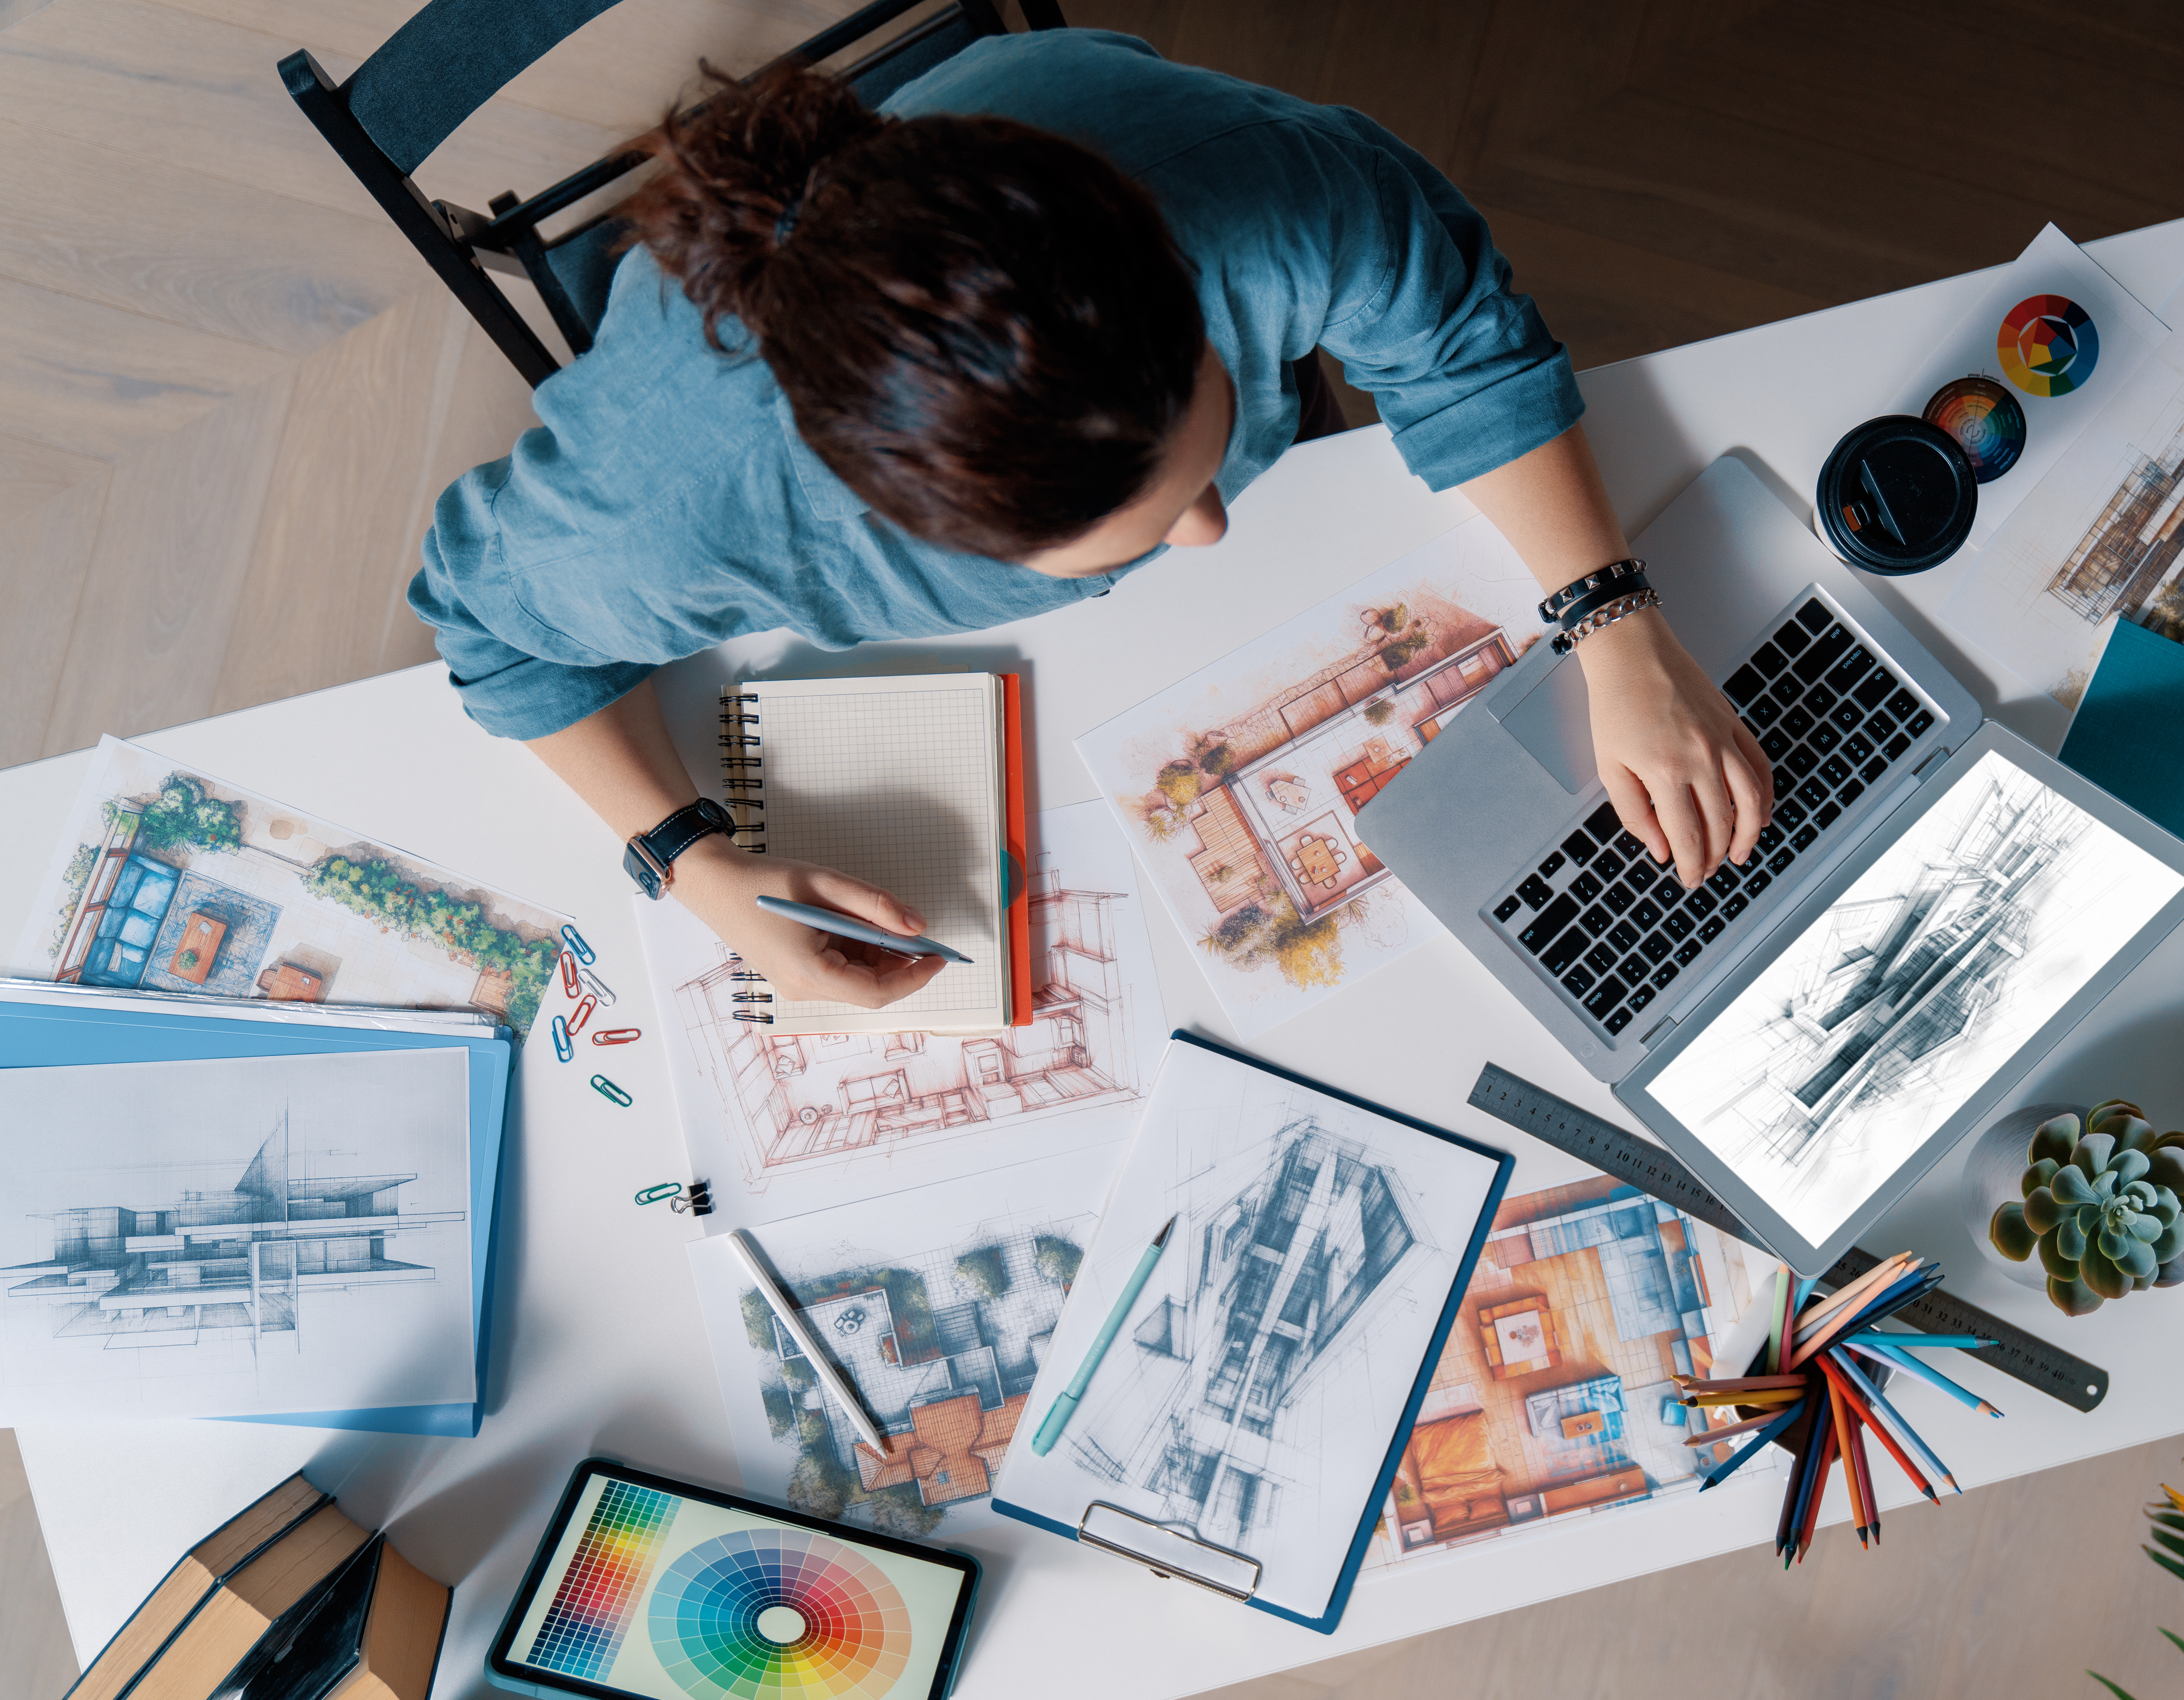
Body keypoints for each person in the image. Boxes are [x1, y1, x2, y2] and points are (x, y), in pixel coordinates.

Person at [410, 28, 1768, 1012]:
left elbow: (1459, 343)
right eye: (1135, 528)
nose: (1212, 536)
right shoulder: (666, 508)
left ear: (1169, 262)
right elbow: (494, 633)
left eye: (1198, 445)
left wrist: (1613, 624)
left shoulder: (1257, 183)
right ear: (893, 515)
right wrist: (687, 860)